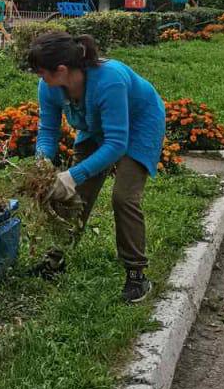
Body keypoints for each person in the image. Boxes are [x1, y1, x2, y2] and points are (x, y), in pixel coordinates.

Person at [29, 30, 166, 303]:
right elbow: (48, 129)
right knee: (73, 194)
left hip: (140, 125)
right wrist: (42, 161)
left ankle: (137, 275)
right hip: (95, 125)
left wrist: (72, 174)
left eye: (42, 72)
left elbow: (116, 143)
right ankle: (55, 261)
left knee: (123, 197)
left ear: (62, 70)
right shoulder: (50, 87)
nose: (40, 78)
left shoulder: (109, 80)